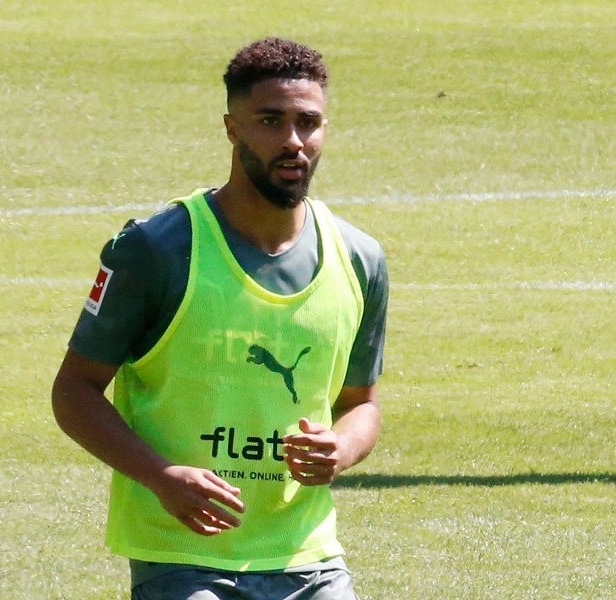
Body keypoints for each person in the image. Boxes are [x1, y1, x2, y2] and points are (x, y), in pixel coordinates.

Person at [52, 37, 388, 600]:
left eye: (309, 122)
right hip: (182, 557)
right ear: (231, 127)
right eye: (270, 120)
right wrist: (160, 477)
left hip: (308, 556)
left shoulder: (359, 258)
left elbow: (361, 405)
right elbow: (74, 391)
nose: (293, 141)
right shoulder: (156, 250)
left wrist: (342, 449)